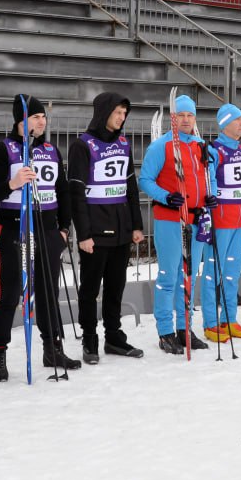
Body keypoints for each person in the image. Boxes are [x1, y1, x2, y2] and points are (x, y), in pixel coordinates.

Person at [0, 94, 82, 377]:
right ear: (21, 120)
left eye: (43, 117)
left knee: (49, 292)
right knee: (11, 293)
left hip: (48, 229)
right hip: (14, 227)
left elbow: (62, 190)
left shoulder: (51, 150)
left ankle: (53, 348)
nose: (42, 121)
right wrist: (13, 183)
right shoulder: (3, 150)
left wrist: (64, 228)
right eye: (36, 116)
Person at [67, 91, 146, 363]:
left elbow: (131, 188)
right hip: (96, 232)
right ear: (104, 112)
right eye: (117, 113)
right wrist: (83, 234)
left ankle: (114, 336)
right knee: (90, 289)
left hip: (122, 229)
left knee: (116, 287)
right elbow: (76, 194)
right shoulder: (82, 145)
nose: (122, 118)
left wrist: (137, 224)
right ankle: (89, 338)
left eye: (125, 114)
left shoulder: (124, 144)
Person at [138, 93, 213, 353]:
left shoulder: (201, 145)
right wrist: (166, 196)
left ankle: (185, 328)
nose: (185, 119)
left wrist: (209, 198)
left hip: (196, 218)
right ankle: (165, 331)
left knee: (189, 277)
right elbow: (145, 180)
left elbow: (206, 178)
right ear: (173, 118)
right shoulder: (162, 145)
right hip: (170, 218)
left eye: (190, 115)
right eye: (180, 115)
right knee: (169, 276)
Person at [196, 103, 241, 342]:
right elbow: (209, 187)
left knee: (232, 272)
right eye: (238, 120)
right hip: (220, 221)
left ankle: (229, 319)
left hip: (238, 219)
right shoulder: (214, 150)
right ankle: (211, 323)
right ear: (225, 124)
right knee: (213, 272)